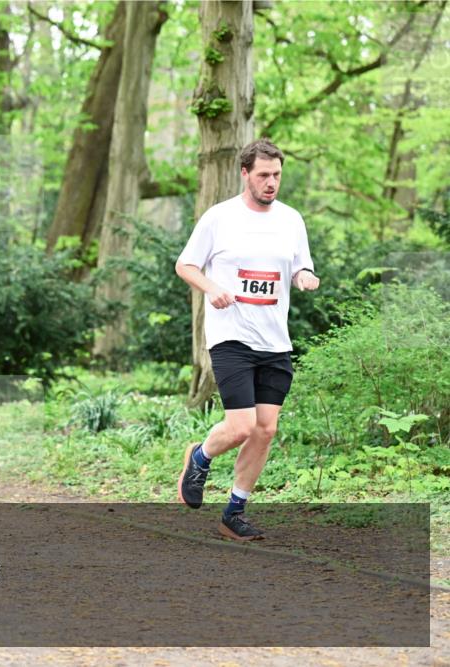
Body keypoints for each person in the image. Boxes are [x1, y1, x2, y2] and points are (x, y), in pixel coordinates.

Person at [174, 139, 319, 541]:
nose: (271, 182)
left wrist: (304, 277)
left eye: (277, 175)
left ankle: (233, 513)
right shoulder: (219, 218)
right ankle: (199, 457)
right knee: (241, 426)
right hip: (231, 337)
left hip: (275, 341)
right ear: (245, 174)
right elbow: (185, 264)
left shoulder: (291, 220)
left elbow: (300, 265)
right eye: (263, 175)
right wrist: (212, 287)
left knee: (265, 429)